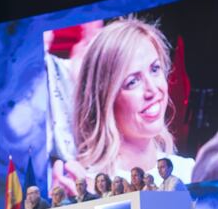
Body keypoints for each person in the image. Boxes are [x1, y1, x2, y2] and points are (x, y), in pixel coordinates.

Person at [53, 17, 194, 195]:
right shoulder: (87, 189)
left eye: (155, 69)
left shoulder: (190, 172)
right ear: (105, 99)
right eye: (133, 82)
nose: (152, 90)